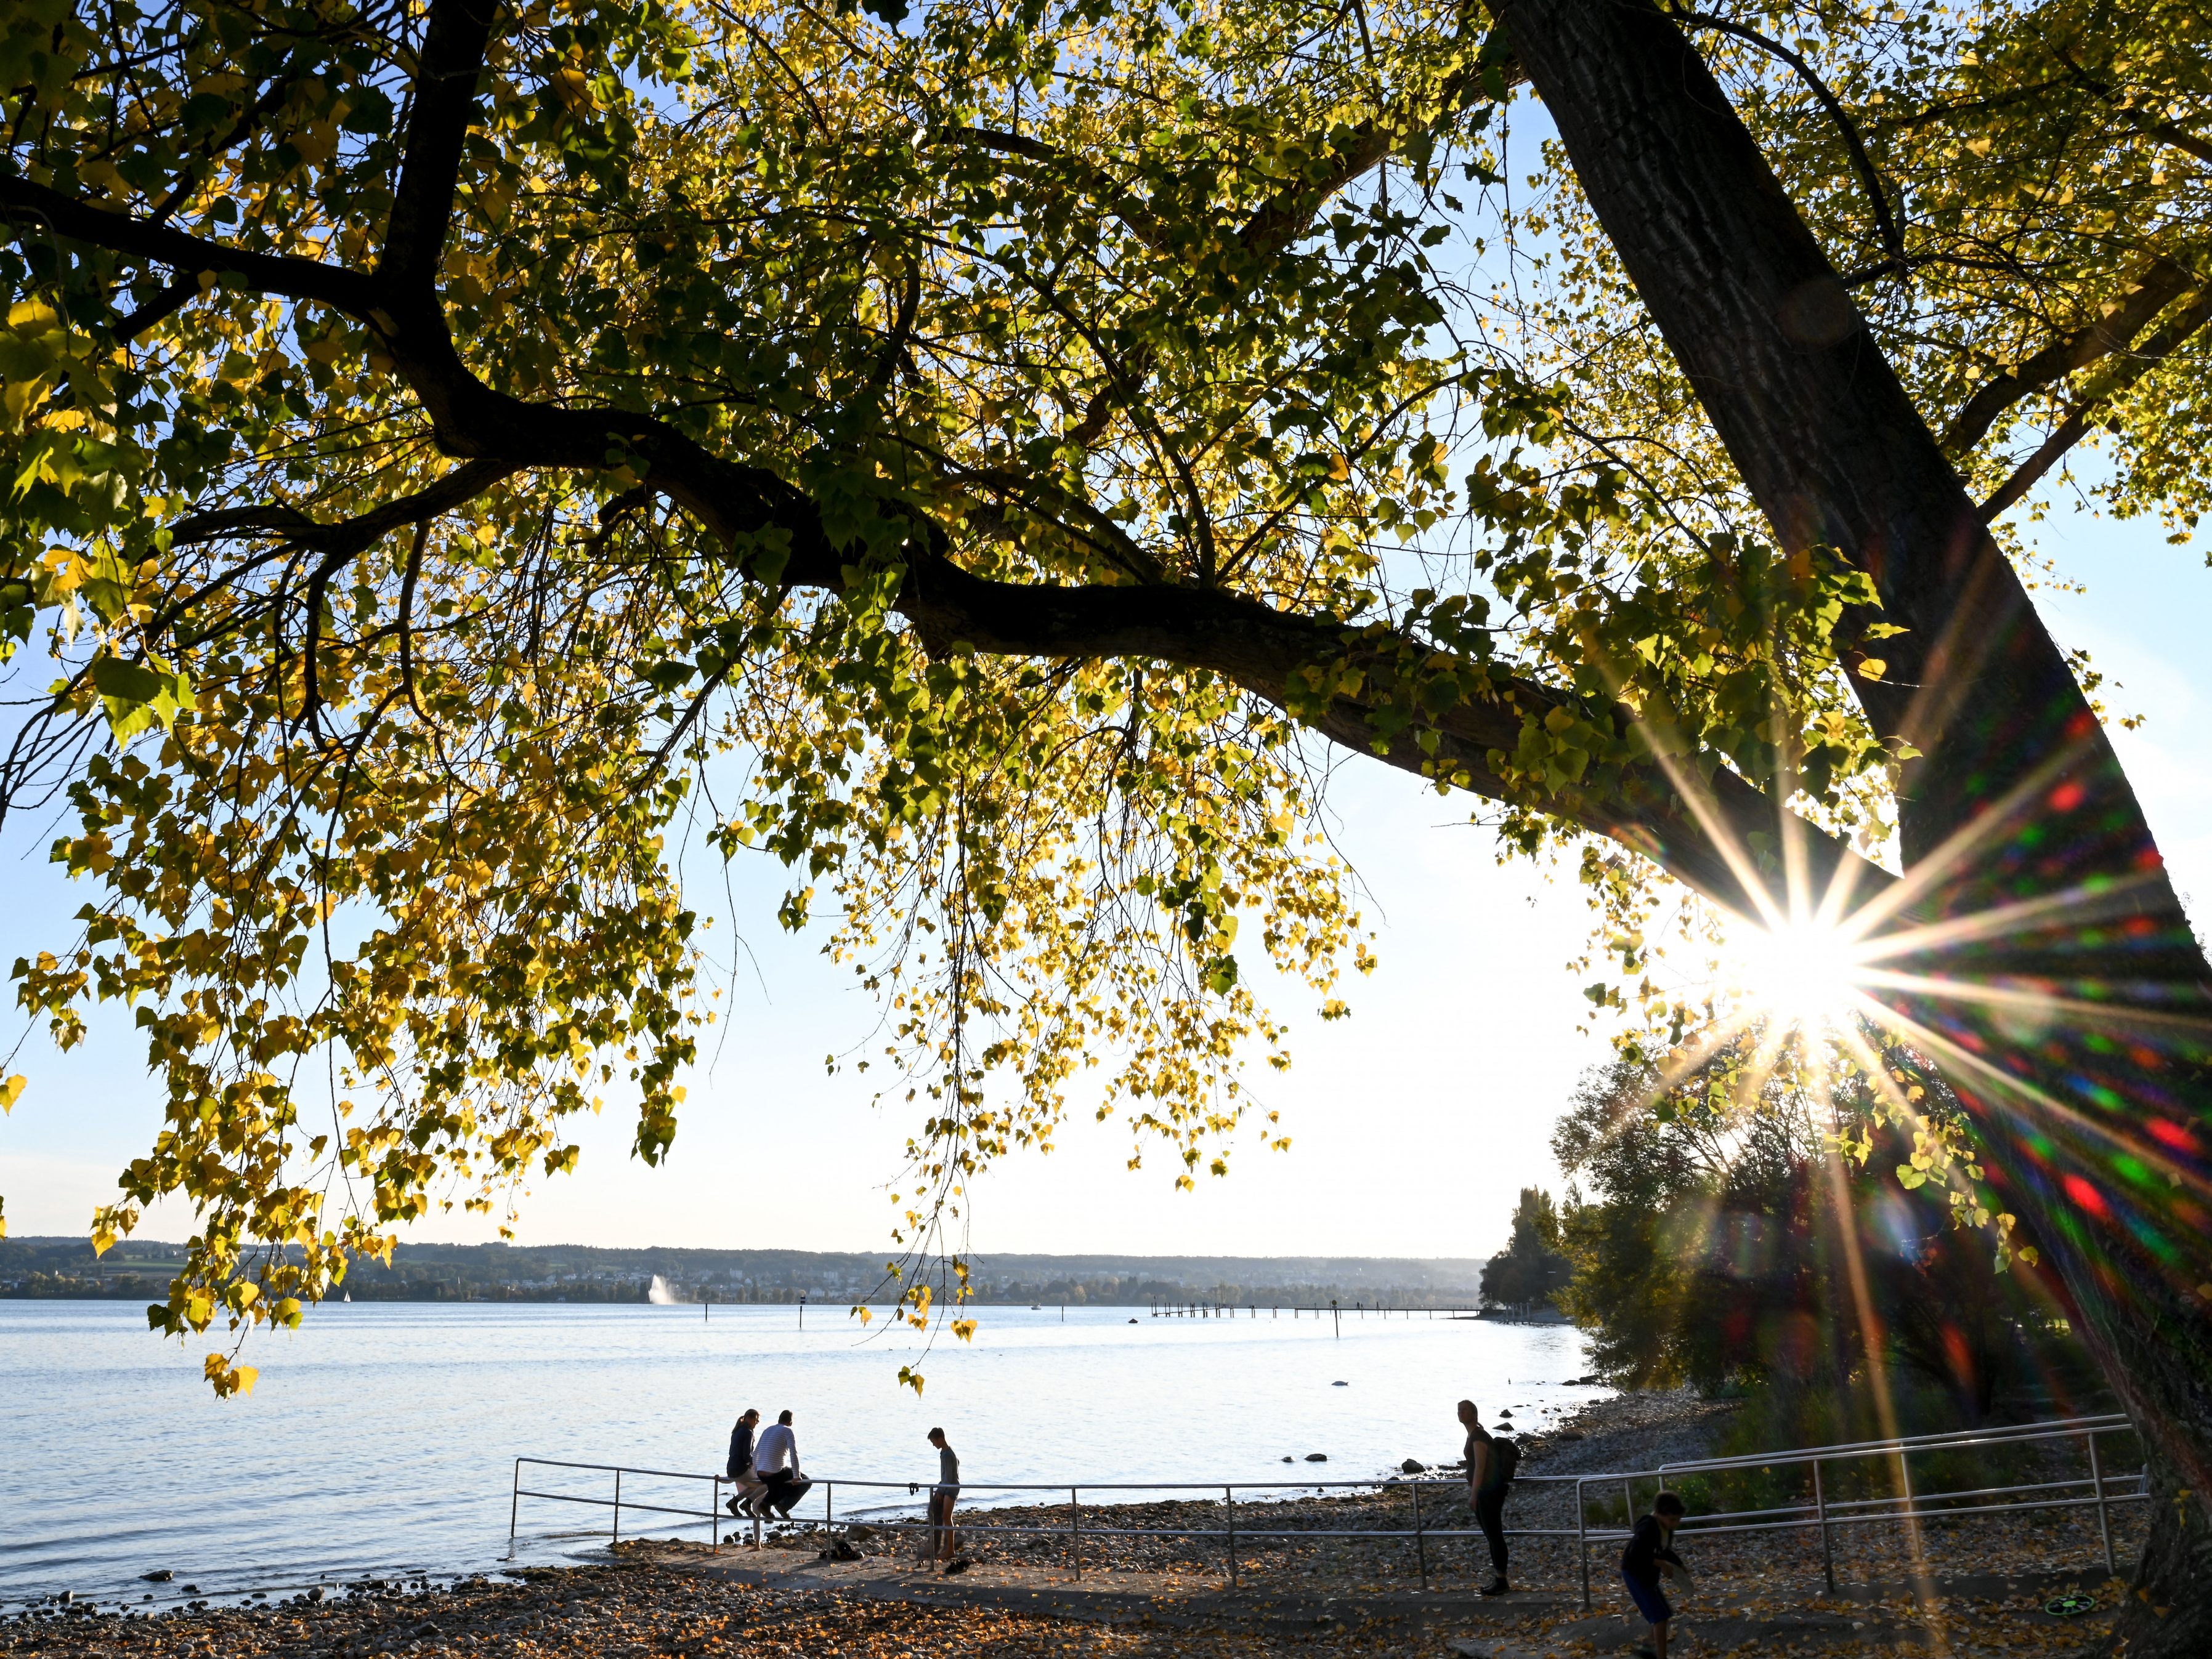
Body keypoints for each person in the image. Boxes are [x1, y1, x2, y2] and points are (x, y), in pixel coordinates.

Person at [1621, 1490, 1690, 1659]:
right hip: (1635, 1573)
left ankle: (1647, 1647)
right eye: (1672, 1519)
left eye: (1678, 1520)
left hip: (1648, 1575)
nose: (1675, 1523)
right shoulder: (1648, 1527)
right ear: (1659, 1514)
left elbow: (1665, 1551)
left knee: (1665, 1613)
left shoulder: (1666, 1529)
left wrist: (1680, 1565)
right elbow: (1636, 1552)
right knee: (1659, 1618)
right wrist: (1661, 1564)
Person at [1457, 1398, 1511, 1595]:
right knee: (1492, 1536)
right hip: (1485, 1492)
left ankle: (1501, 1581)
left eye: (1464, 1410)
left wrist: (1473, 1494)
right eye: (1459, 1410)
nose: (1461, 1413)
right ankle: (1499, 1579)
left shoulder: (1478, 1436)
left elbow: (1480, 1466)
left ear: (1474, 1414)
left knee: (1495, 1536)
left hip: (1488, 1493)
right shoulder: (1473, 1435)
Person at [752, 1409, 812, 1517]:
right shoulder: (788, 1431)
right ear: (790, 1422)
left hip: (761, 1473)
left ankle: (766, 1504)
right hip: (774, 1473)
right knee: (806, 1481)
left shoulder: (768, 1430)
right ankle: (783, 1506)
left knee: (779, 1482)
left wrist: (757, 1473)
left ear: (779, 1420)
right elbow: (794, 1454)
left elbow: (755, 1453)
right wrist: (796, 1476)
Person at [923, 1427, 965, 1568]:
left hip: (950, 1489)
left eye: (934, 1442)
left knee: (946, 1518)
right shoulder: (947, 1453)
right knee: (938, 1514)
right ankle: (940, 1546)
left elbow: (950, 1477)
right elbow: (956, 1465)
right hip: (948, 1487)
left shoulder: (947, 1455)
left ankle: (949, 1549)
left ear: (940, 1439)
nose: (933, 1445)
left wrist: (941, 1491)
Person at [724, 1408, 768, 1518]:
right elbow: (747, 1456)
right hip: (741, 1470)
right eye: (756, 1420)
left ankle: (735, 1501)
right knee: (767, 1483)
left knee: (755, 1486)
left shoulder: (736, 1431)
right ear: (749, 1418)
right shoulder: (748, 1433)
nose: (757, 1423)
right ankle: (746, 1503)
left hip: (731, 1470)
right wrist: (758, 1465)